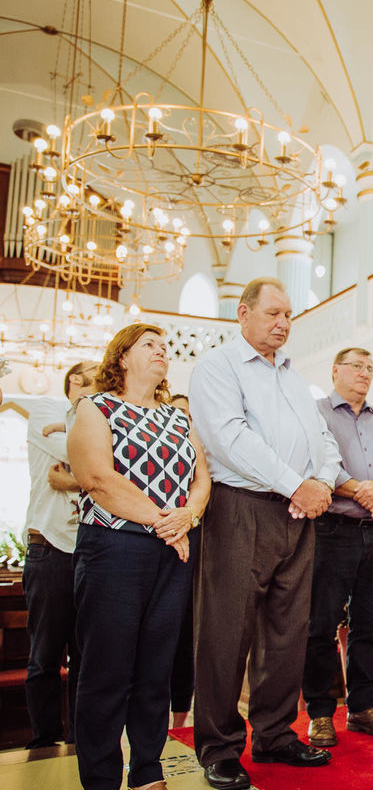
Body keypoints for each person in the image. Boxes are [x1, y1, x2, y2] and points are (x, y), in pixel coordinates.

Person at [189, 277, 342, 790]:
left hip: (299, 513)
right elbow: (229, 439)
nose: (283, 324)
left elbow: (323, 437)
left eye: (288, 316)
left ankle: (275, 735)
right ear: (242, 313)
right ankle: (219, 747)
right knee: (227, 633)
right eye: (273, 313)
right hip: (241, 508)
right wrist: (296, 484)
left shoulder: (295, 377)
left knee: (287, 631)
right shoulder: (217, 366)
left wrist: (319, 481)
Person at [68, 324, 210, 790]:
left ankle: (147, 769)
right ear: (122, 357)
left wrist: (187, 514)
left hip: (172, 551)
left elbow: (202, 479)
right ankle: (101, 777)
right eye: (149, 345)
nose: (161, 352)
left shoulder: (178, 416)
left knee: (156, 668)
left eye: (164, 347)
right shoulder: (95, 408)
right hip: (114, 548)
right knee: (107, 670)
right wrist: (164, 521)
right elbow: (96, 479)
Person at [302, 347, 373, 747]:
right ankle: (319, 712)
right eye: (358, 367)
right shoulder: (315, 412)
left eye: (371, 368)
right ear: (336, 371)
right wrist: (362, 492)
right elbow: (313, 463)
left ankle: (363, 707)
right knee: (322, 624)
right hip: (332, 529)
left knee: (368, 623)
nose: (366, 374)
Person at [21, 360, 96, 748]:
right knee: (45, 656)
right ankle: (44, 741)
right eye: (86, 379)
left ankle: (82, 741)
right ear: (72, 383)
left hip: (88, 552)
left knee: (85, 658)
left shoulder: (102, 420)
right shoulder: (45, 411)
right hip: (49, 547)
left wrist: (73, 479)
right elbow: (77, 449)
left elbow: (108, 464)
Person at [166, 393, 195, 731]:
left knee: (186, 642)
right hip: (161, 544)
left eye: (185, 414)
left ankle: (180, 722)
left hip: (194, 554)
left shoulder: (199, 453)